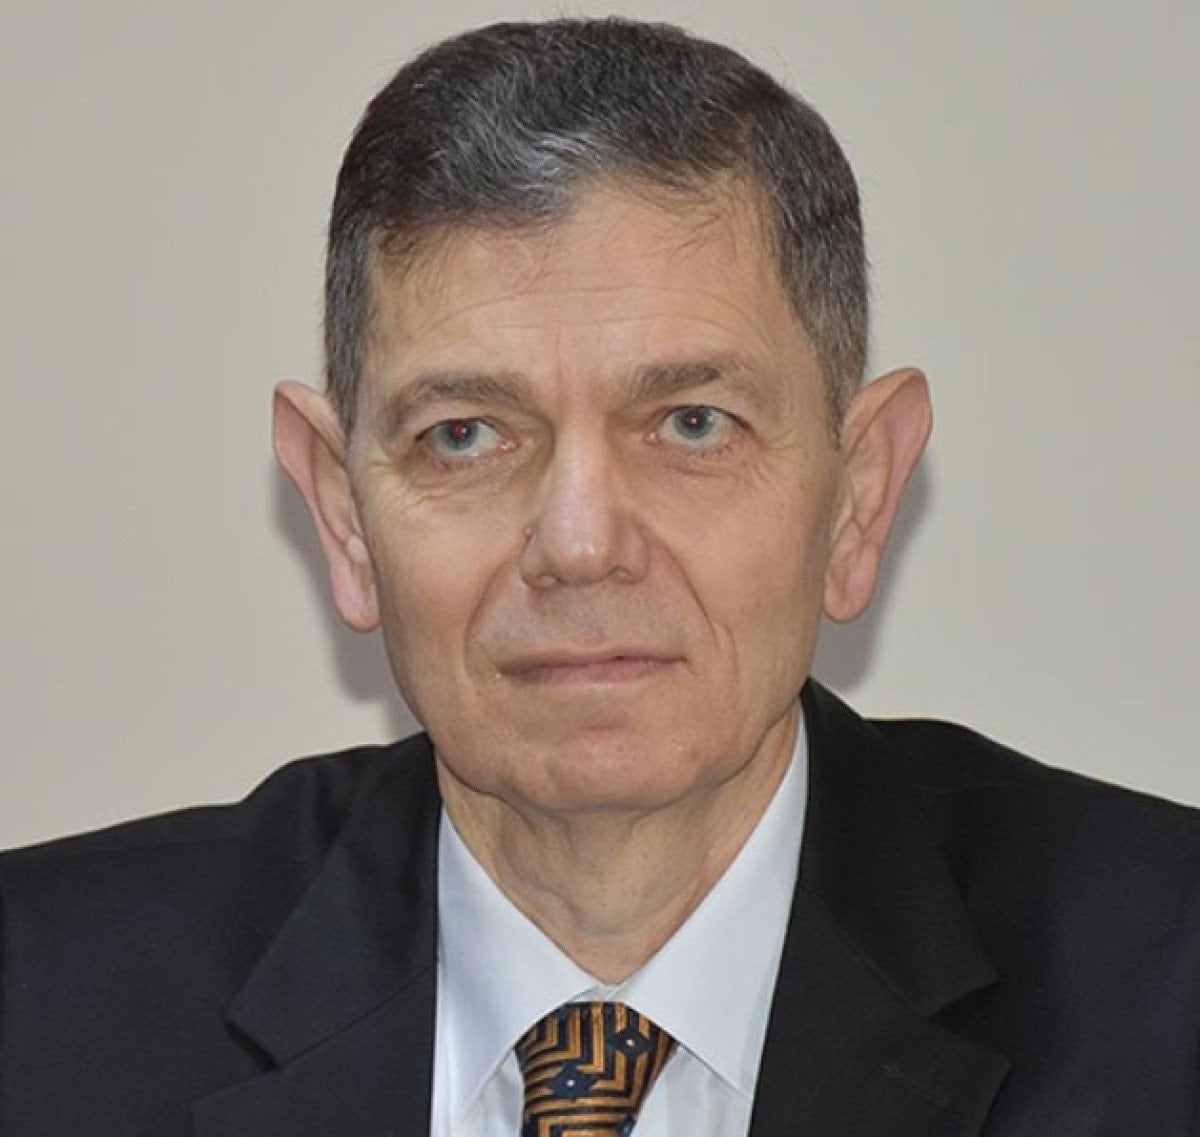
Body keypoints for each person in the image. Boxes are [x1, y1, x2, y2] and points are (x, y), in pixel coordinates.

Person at [1, 17, 1197, 1137]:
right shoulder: (39, 1009)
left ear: (859, 495)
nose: (579, 545)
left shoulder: (1164, 996)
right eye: (465, 435)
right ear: (342, 513)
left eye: (692, 423)